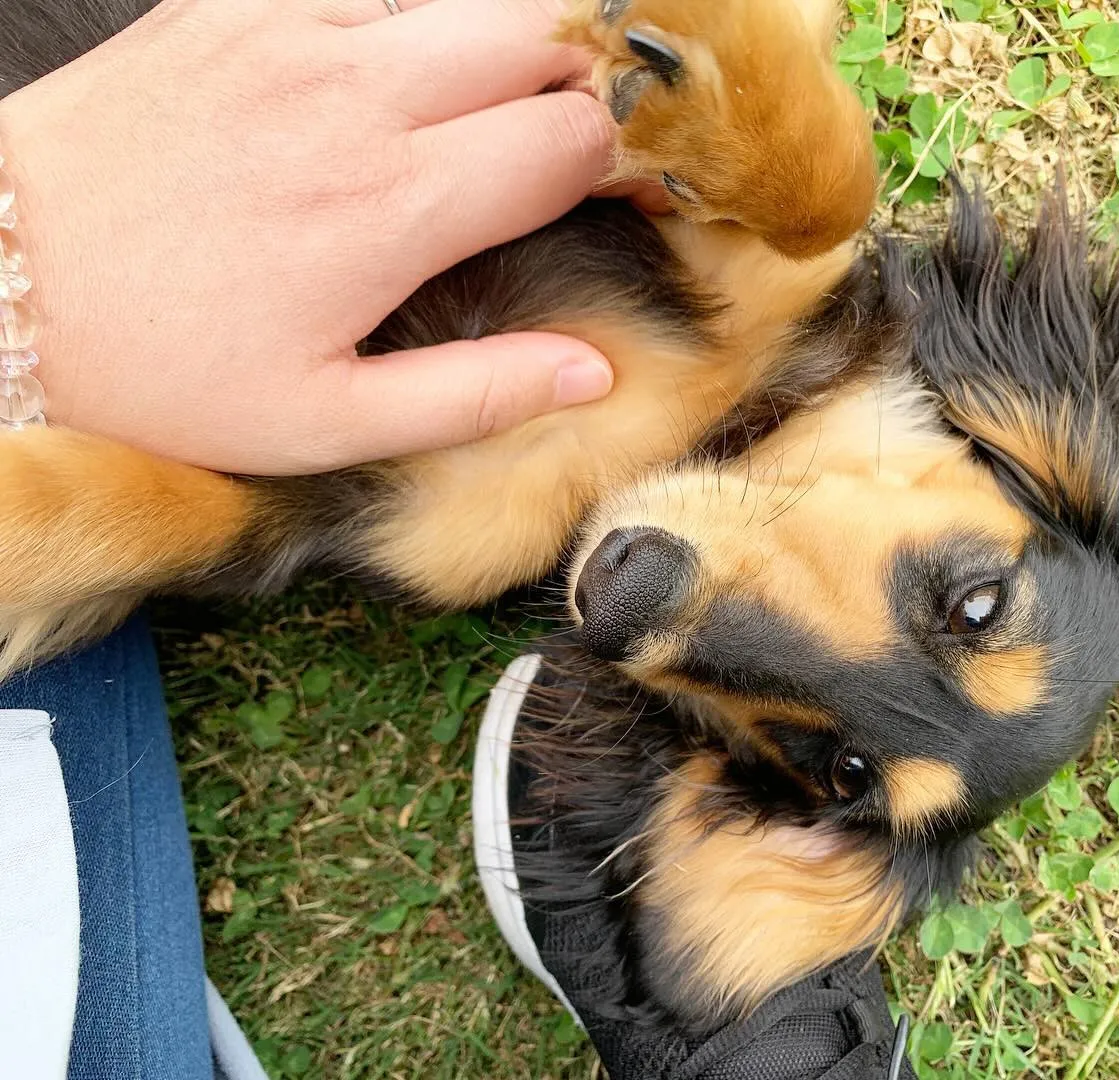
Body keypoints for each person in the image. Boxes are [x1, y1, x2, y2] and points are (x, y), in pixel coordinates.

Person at [0, 1, 912, 1077]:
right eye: (969, 604)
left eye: (846, 759)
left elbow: (193, 518)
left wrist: (29, 287)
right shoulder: (797, 239)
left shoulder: (480, 532)